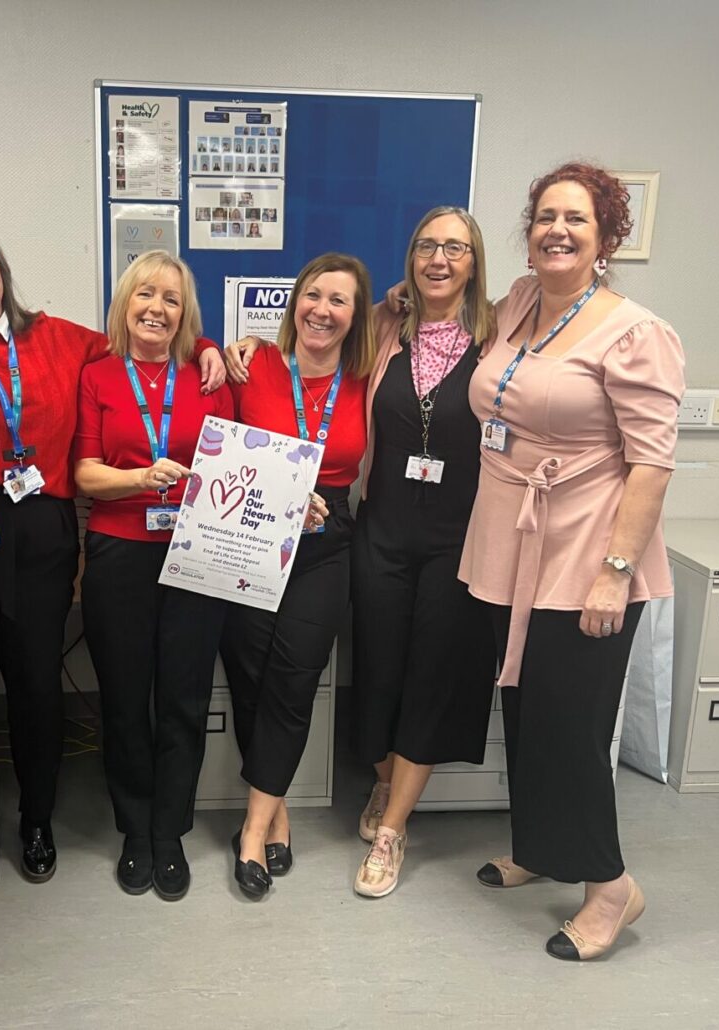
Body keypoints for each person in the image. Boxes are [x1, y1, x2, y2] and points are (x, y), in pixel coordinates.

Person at [0, 219, 225, 892]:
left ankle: (38, 822)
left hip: (44, 524)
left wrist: (209, 344)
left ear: (1, 265)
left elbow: (148, 335)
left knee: (38, 681)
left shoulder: (66, 341)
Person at [224, 208, 500, 899]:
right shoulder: (382, 338)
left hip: (424, 536)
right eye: (427, 246)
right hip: (349, 533)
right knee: (360, 669)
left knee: (356, 674)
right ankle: (288, 804)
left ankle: (388, 828)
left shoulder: (498, 337)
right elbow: (227, 440)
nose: (439, 258)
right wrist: (222, 345)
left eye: (455, 248)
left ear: (474, 262)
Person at [460, 163, 684, 960]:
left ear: (606, 238)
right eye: (545, 216)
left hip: (588, 551)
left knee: (570, 729)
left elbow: (651, 464)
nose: (556, 230)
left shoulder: (634, 333)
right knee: (522, 712)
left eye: (576, 220)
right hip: (509, 544)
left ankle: (608, 889)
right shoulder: (520, 302)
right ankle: (541, 846)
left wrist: (614, 572)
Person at [74, 250, 234, 901]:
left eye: (170, 299)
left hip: (196, 552)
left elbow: (243, 463)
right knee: (124, 699)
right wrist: (141, 479)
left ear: (183, 313)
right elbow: (84, 472)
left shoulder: (208, 376)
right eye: (145, 294)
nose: (156, 309)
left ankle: (169, 831)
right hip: (118, 553)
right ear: (125, 304)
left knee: (183, 699)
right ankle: (133, 829)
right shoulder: (98, 377)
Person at [219, 253, 376, 898]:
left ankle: (251, 832)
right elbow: (219, 444)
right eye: (313, 295)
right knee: (251, 674)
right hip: (251, 523)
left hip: (329, 535)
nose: (322, 310)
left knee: (296, 675)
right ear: (294, 304)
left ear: (355, 316)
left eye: (339, 300)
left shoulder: (369, 376)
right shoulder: (250, 365)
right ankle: (275, 809)